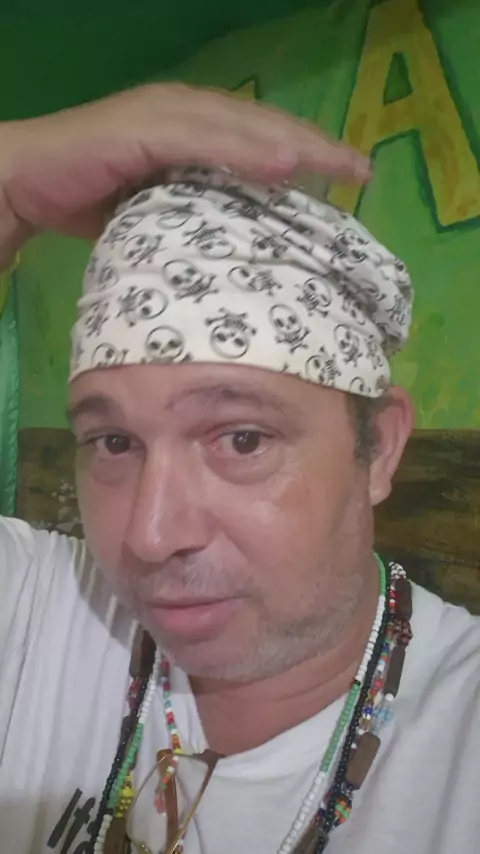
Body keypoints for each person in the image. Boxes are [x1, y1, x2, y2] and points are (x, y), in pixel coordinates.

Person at [0, 82, 479, 854]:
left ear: (380, 447)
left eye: (243, 439)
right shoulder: (36, 613)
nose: (152, 536)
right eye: (114, 443)